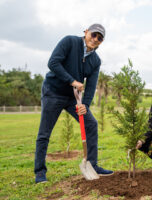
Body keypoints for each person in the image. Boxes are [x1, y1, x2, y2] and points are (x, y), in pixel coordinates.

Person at [34, 23, 113, 183]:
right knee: (44, 133)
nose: (95, 39)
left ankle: (92, 165)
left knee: (91, 123)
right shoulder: (70, 41)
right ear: (86, 32)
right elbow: (53, 63)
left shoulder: (96, 61)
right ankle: (40, 172)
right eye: (94, 35)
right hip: (53, 92)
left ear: (101, 42)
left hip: (72, 98)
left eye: (100, 38)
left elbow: (90, 86)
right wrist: (72, 81)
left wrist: (86, 105)